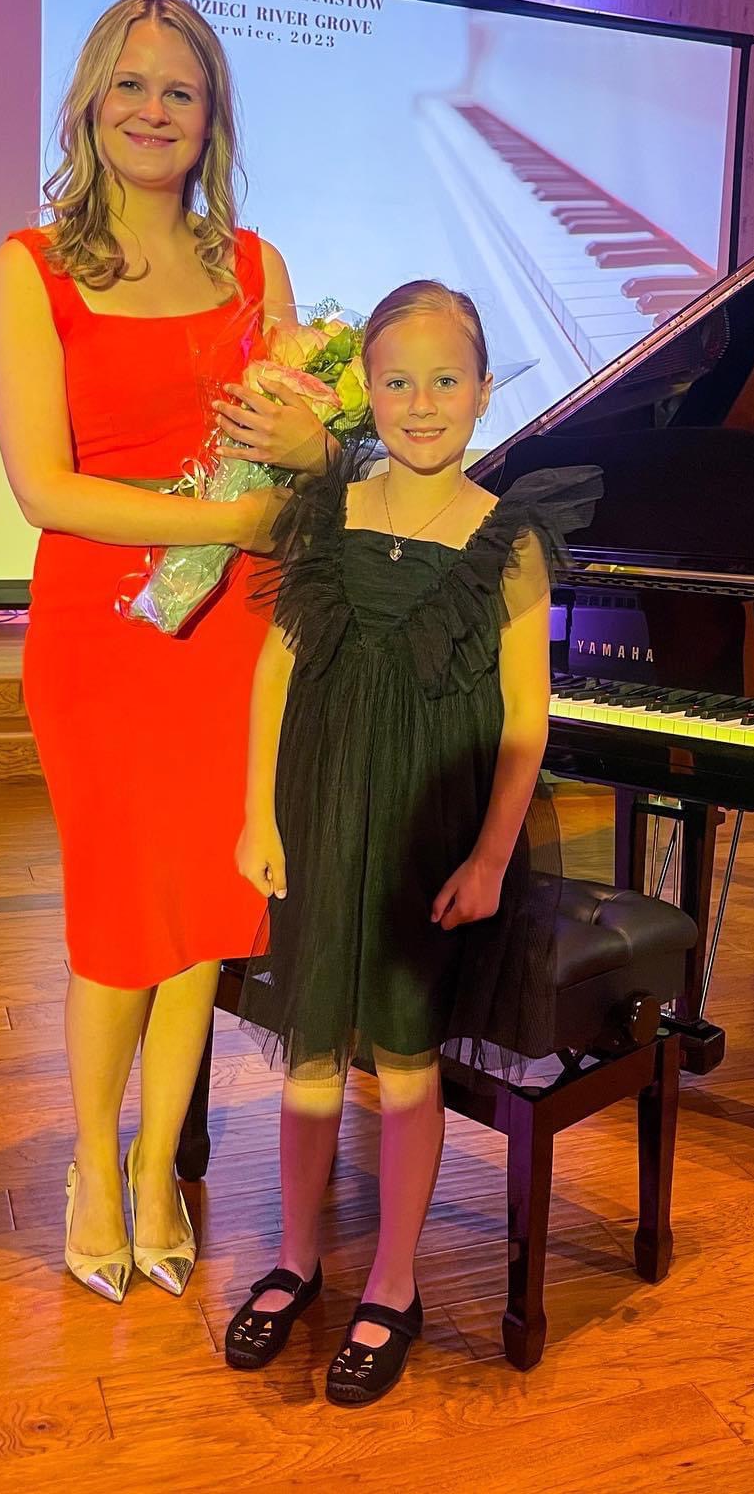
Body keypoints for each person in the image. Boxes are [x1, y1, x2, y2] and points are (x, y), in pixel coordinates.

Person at [0, 0, 325, 1303]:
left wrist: (312, 455)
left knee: (205, 908)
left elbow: (298, 452)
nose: (152, 109)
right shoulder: (32, 267)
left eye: (179, 90)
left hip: (230, 629)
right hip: (102, 631)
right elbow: (45, 490)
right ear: (88, 103)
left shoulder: (257, 267)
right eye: (129, 85)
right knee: (120, 911)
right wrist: (231, 518)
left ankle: (155, 1170)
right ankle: (91, 1163)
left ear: (209, 118)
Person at [228, 280, 599, 1405]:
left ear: (483, 394)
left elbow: (527, 721)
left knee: (402, 1058)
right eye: (398, 382)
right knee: (308, 1049)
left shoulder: (507, 542)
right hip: (318, 814)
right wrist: (257, 813)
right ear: (365, 393)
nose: (422, 403)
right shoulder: (326, 515)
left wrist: (488, 857)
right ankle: (297, 1257)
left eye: (445, 381)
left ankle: (394, 1282)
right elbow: (278, 668)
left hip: (428, 837)